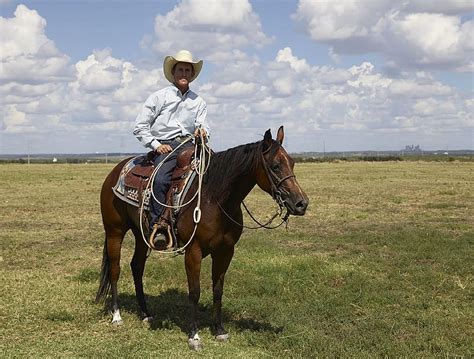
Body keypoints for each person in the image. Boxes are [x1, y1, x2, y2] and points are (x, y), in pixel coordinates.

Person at [133, 50, 210, 249]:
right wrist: (157, 146)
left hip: (191, 145)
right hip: (166, 146)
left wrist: (202, 132)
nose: (184, 73)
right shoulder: (159, 97)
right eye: (180, 70)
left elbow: (204, 125)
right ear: (173, 73)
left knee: (212, 174)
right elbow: (140, 126)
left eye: (188, 70)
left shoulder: (198, 101)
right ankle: (159, 225)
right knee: (160, 179)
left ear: (192, 75)